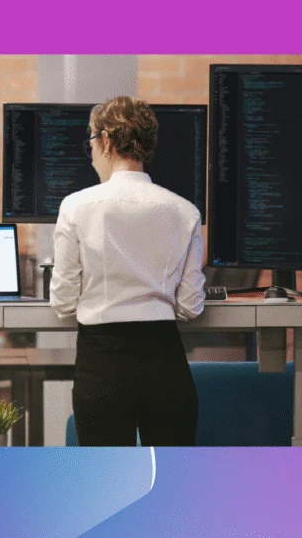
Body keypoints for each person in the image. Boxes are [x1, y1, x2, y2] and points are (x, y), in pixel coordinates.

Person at [50, 96, 206, 447]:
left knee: (105, 486)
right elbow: (190, 306)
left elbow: (62, 302)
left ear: (106, 140)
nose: (91, 151)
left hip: (102, 363)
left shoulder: (76, 206)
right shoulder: (185, 211)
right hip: (166, 362)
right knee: (171, 485)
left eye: (91, 140)